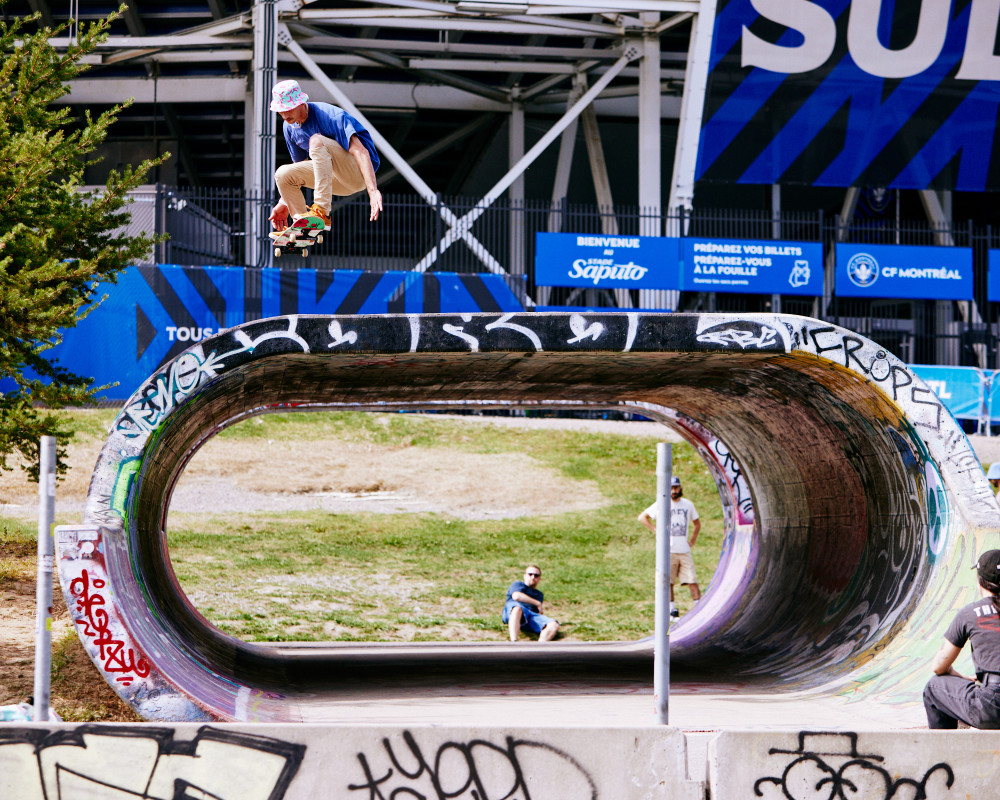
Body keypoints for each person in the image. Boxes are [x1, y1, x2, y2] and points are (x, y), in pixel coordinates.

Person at [267, 79, 383, 236]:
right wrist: (284, 201)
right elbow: (300, 167)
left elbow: (361, 151)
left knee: (316, 140)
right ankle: (302, 228)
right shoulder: (289, 128)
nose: (285, 114)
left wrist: (373, 190)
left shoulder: (330, 116)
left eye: (288, 109)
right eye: (280, 110)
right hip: (333, 180)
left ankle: (321, 211)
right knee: (283, 173)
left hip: (356, 173)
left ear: (301, 103)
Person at [923, 549, 1000, 729]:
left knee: (934, 688)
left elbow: (938, 667)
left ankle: (944, 755)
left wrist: (957, 675)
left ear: (980, 581)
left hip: (992, 706)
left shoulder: (970, 613)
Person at [637, 475, 701, 617]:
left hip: (683, 549)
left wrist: (692, 541)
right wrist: (656, 530)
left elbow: (697, 523)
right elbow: (642, 517)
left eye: (676, 488)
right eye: (671, 488)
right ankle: (672, 610)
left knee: (691, 579)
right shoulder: (662, 503)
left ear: (680, 488)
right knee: (669, 581)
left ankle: (699, 607)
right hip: (668, 550)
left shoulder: (687, 505)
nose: (673, 491)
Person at [502, 564, 559, 642]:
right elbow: (516, 596)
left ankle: (540, 647)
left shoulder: (539, 594)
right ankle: (514, 641)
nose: (533, 577)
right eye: (530, 574)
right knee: (517, 609)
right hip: (513, 612)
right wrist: (537, 603)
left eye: (536, 575)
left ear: (539, 578)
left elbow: (537, 613)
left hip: (530, 616)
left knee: (554, 624)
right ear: (525, 576)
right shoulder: (518, 584)